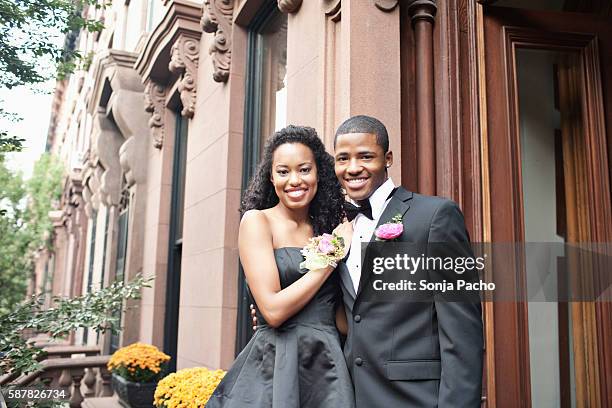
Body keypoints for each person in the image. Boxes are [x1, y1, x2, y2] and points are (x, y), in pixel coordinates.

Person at [333, 115, 483, 407]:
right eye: (343, 158)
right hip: (352, 396)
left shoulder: (435, 216)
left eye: (365, 156)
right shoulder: (337, 229)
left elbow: (462, 333)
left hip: (415, 399)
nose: (353, 168)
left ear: (387, 158)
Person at [206, 125, 355, 408]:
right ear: (271, 176)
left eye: (304, 169)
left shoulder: (330, 228)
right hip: (277, 363)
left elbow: (339, 317)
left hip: (327, 366)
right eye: (284, 171)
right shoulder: (257, 222)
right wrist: (332, 256)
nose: (294, 180)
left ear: (319, 173)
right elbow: (273, 311)